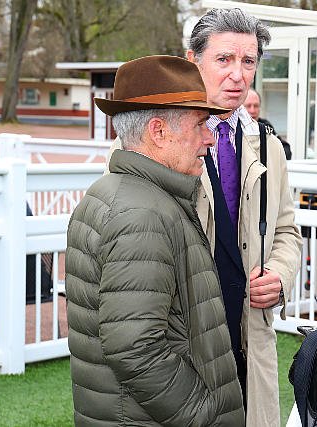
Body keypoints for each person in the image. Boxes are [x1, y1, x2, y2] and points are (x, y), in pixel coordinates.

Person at [108, 8, 302, 426]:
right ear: (192, 60)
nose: (238, 75)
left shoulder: (268, 145)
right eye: (224, 59)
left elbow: (287, 230)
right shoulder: (154, 141)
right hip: (184, 338)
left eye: (248, 61)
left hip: (249, 332)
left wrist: (280, 276)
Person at [66, 55, 244, 426]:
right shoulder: (140, 212)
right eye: (200, 124)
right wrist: (202, 414)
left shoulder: (131, 195)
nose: (209, 138)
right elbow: (135, 348)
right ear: (158, 132)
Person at [244, 88, 292, 159]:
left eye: (256, 106)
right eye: (248, 106)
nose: (252, 110)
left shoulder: (265, 126)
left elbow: (286, 151)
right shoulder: (234, 128)